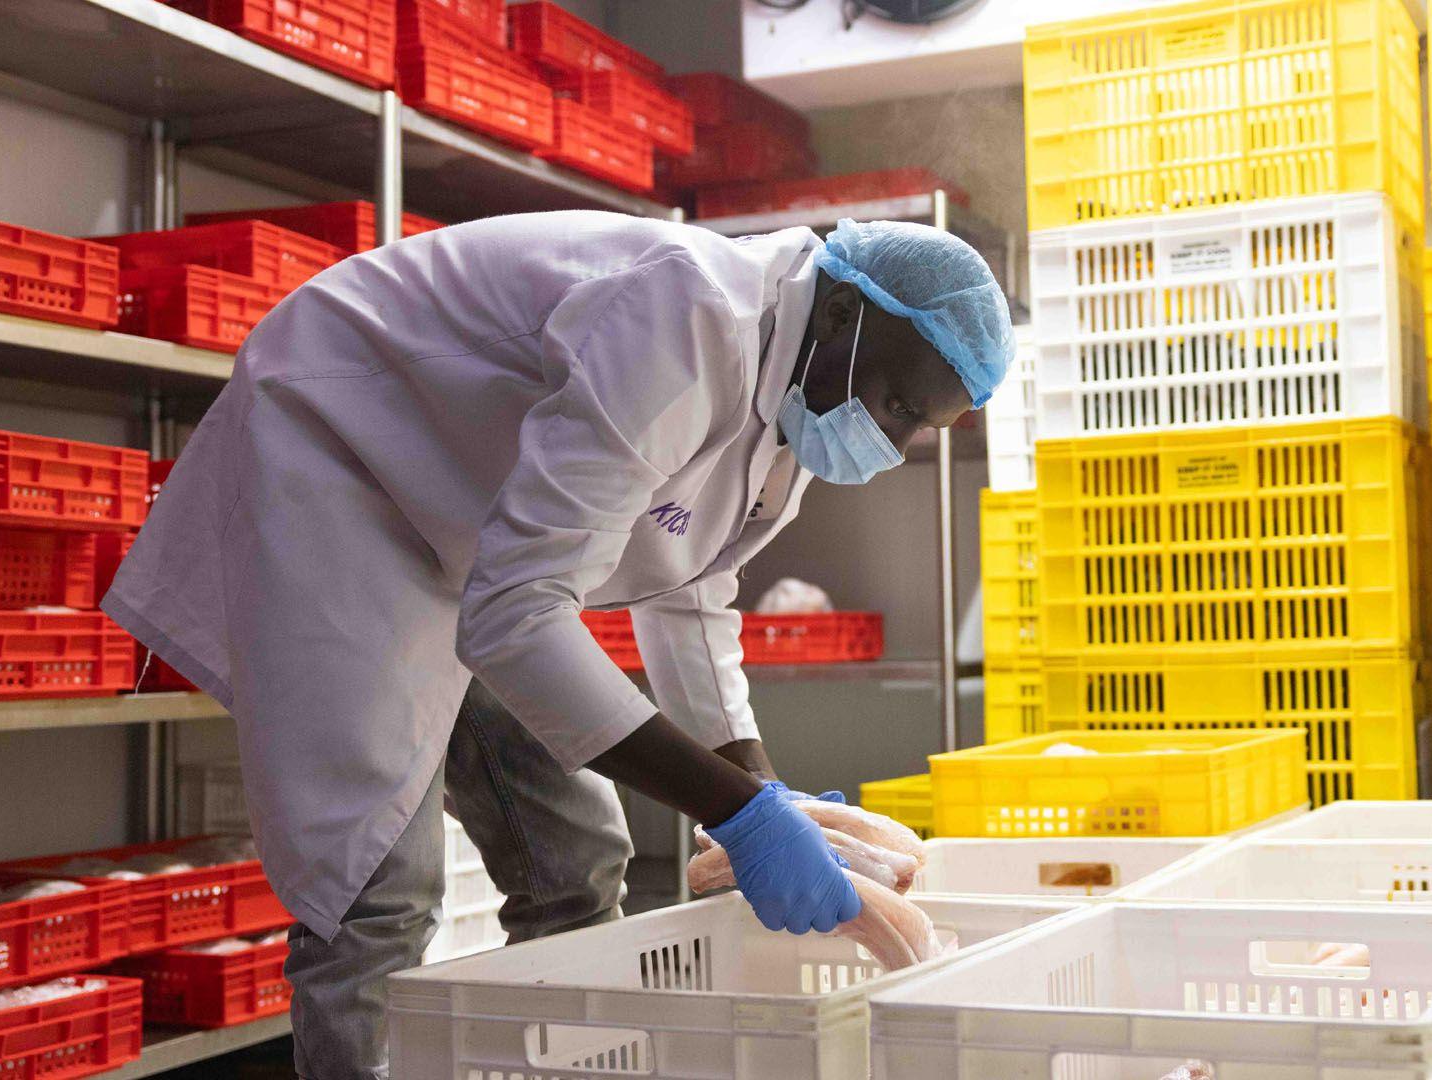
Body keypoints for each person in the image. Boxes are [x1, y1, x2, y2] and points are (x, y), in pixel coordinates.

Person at [102, 211, 1013, 1078]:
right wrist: (739, 814)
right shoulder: (685, 316)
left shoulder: (793, 393)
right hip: (344, 470)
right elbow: (515, 615)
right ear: (847, 313)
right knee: (381, 887)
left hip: (469, 534)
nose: (889, 440)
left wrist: (759, 788)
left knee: (576, 854)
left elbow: (692, 590)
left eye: (913, 429)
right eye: (894, 402)